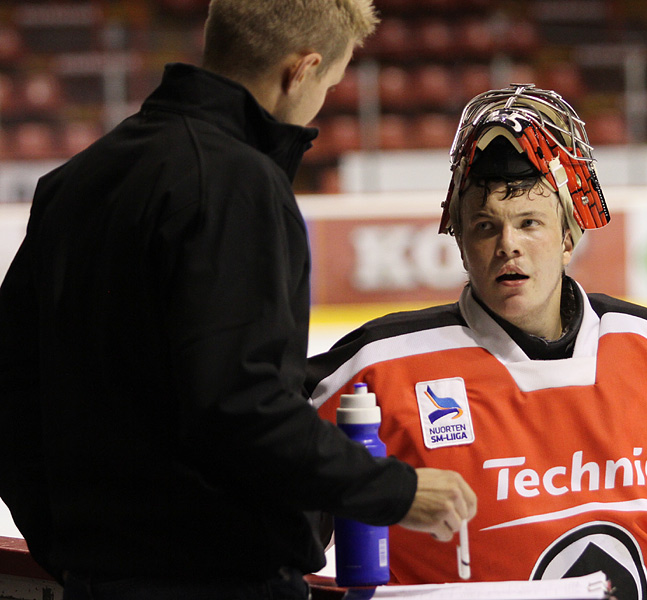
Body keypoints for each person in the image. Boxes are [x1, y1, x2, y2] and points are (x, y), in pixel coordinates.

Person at [0, 1, 475, 599]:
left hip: (96, 579)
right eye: (328, 84)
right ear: (300, 72)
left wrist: (74, 554)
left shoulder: (76, 180)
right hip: (216, 580)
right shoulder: (236, 183)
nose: (321, 104)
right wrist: (395, 490)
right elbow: (242, 406)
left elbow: (13, 392)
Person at [306, 85, 647, 599]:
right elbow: (265, 536)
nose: (508, 244)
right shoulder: (374, 370)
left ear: (568, 238)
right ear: (461, 243)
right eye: (484, 226)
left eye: (529, 223)